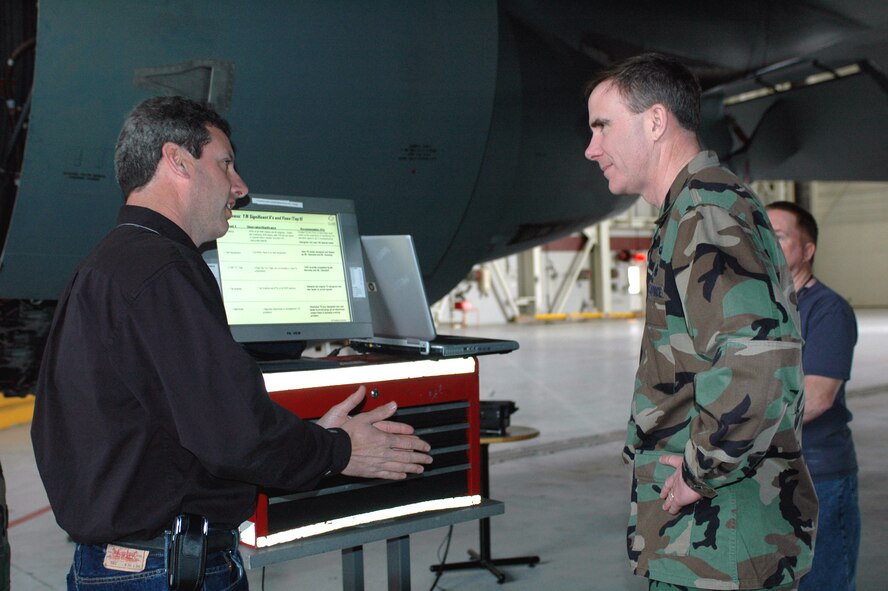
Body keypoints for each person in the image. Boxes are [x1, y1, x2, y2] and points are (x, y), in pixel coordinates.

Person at [31, 96, 432, 591]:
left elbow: (177, 426)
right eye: (225, 164)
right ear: (177, 161)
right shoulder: (161, 271)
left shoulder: (108, 266)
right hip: (166, 571)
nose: (240, 189)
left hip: (125, 564)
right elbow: (233, 435)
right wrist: (339, 450)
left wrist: (305, 438)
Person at [584, 53, 818, 590]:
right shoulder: (698, 205)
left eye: (602, 126)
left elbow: (757, 360)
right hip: (716, 538)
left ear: (655, 121)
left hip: (721, 536)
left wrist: (700, 470)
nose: (592, 148)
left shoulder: (704, 212)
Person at [766, 201, 860, 591]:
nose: (767, 241)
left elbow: (817, 398)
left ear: (807, 251)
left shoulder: (827, 310)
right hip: (766, 474)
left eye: (780, 235)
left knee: (823, 582)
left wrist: (739, 428)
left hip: (817, 476)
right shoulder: (760, 309)